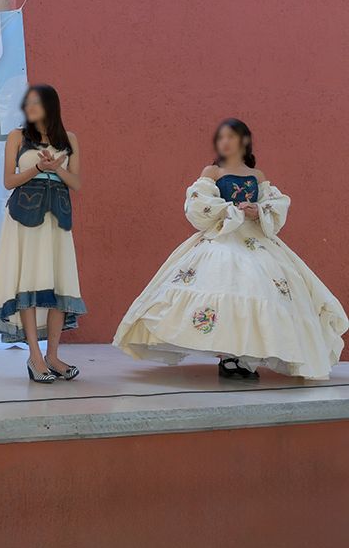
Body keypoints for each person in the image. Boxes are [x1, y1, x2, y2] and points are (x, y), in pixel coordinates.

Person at [114, 119, 347, 380]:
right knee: (227, 283)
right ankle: (228, 357)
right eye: (221, 137)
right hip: (223, 236)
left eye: (231, 137)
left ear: (244, 141)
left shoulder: (257, 176)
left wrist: (258, 210)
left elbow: (276, 205)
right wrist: (230, 210)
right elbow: (197, 204)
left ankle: (245, 358)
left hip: (255, 240)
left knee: (258, 284)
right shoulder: (213, 171)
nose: (224, 142)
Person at [0, 84, 85, 383]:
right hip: (25, 217)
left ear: (50, 106)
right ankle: (35, 356)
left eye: (36, 103)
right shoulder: (17, 137)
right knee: (28, 281)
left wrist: (56, 168)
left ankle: (53, 356)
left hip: (58, 219)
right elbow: (8, 181)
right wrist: (38, 168)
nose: (29, 107)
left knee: (59, 283)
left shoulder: (69, 139)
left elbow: (76, 183)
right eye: (27, 103)